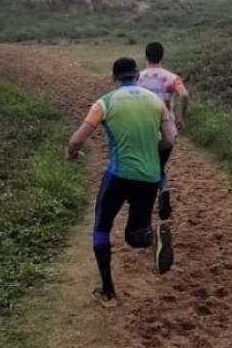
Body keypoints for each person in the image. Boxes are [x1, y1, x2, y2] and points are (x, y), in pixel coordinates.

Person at [68, 57, 176, 308]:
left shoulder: (105, 102)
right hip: (149, 177)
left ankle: (107, 291)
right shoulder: (156, 101)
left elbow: (77, 140)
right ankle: (153, 238)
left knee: (101, 228)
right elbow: (170, 139)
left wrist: (71, 153)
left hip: (118, 175)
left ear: (114, 78)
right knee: (134, 235)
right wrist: (151, 150)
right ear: (137, 76)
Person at [135, 42, 190, 220]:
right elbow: (184, 94)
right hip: (167, 128)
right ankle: (163, 188)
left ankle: (149, 198)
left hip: (144, 128)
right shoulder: (171, 77)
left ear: (146, 56)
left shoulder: (138, 78)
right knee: (159, 165)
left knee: (145, 166)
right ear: (162, 56)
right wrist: (181, 117)